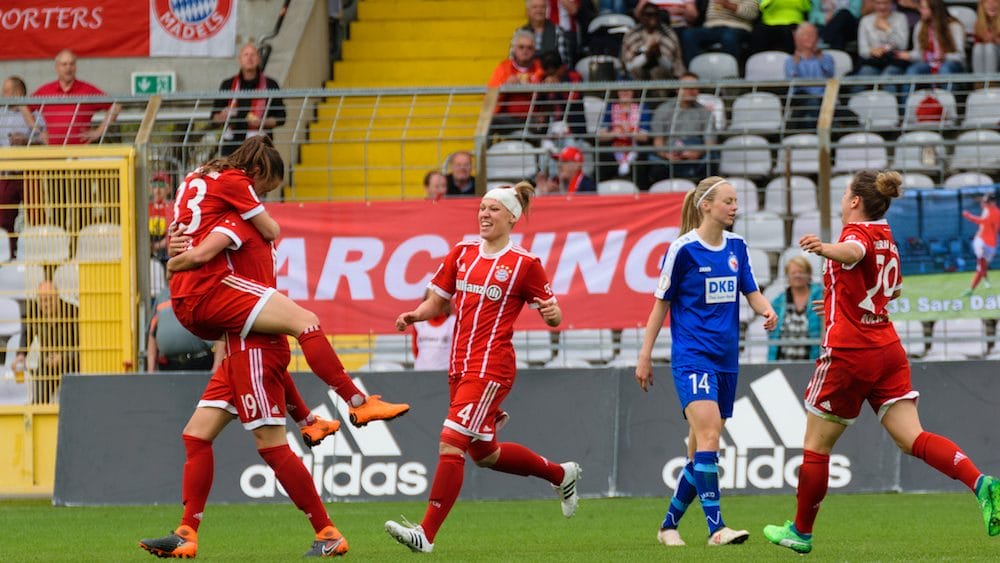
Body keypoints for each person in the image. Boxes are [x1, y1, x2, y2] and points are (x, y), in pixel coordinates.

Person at [763, 170, 1000, 554]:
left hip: (850, 354)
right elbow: (890, 288)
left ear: (855, 201)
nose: (842, 199)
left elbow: (854, 253)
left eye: (844, 194)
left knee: (815, 447)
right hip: (887, 348)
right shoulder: (888, 237)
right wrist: (839, 298)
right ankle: (981, 483)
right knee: (912, 438)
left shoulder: (856, 235)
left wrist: (823, 248)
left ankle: (800, 532)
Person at [384, 182, 582, 554]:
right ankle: (560, 474)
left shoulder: (525, 264)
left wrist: (553, 315)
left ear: (511, 217)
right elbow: (438, 301)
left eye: (493, 209)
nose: (484, 214)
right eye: (482, 208)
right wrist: (416, 315)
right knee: (484, 453)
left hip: (491, 367)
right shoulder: (462, 252)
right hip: (458, 366)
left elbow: (552, 314)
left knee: (451, 442)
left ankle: (425, 534)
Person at [139, 207, 348, 558]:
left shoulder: (236, 227)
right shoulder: (237, 228)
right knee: (196, 435)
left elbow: (204, 259)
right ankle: (187, 531)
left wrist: (176, 257)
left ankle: (327, 531)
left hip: (251, 346)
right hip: (237, 346)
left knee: (271, 446)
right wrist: (175, 245)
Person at [166, 135, 409, 427]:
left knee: (198, 435)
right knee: (300, 327)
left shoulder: (196, 180)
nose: (259, 198)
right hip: (207, 287)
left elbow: (184, 238)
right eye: (263, 190)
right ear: (256, 172)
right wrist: (174, 263)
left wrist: (175, 258)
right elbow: (270, 230)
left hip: (189, 292)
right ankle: (354, 402)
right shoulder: (235, 191)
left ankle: (309, 420)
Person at [635, 176, 777, 547]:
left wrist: (766, 309)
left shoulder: (737, 246)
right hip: (693, 356)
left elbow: (750, 289)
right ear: (706, 206)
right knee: (710, 434)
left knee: (699, 450)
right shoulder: (682, 250)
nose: (735, 207)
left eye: (736, 201)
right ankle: (717, 529)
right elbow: (660, 305)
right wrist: (645, 355)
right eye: (728, 201)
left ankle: (668, 526)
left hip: (727, 358)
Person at [212, 43, 286, 157]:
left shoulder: (271, 84)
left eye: (253, 55)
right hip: (233, 145)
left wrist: (262, 123)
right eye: (246, 55)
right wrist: (221, 118)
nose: (249, 58)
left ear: (259, 59)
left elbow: (281, 117)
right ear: (239, 59)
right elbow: (214, 116)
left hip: (261, 145)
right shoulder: (227, 84)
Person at [31, 49, 118, 146]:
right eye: (64, 64)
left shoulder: (88, 90)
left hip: (81, 152)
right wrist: (39, 131)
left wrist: (99, 131)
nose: (68, 68)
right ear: (56, 68)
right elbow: (24, 106)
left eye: (72, 64)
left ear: (76, 67)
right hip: (54, 151)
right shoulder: (45, 91)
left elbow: (115, 105)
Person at [13, 280, 79, 404]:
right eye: (42, 300)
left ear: (57, 297)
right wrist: (21, 355)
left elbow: (84, 347)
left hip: (73, 365)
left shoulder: (73, 313)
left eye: (49, 300)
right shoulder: (35, 314)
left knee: (73, 404)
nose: (46, 304)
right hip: (47, 365)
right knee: (38, 401)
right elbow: (27, 336)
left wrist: (64, 357)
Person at [647, 72, 715, 186]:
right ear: (677, 89)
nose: (691, 90)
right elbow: (658, 141)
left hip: (696, 153)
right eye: (687, 87)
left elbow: (711, 142)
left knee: (712, 159)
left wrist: (699, 152)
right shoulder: (663, 109)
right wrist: (665, 154)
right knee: (651, 161)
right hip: (669, 151)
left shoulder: (704, 112)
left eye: (694, 87)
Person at [146, 286, 217, 372]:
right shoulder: (162, 296)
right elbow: (152, 334)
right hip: (169, 367)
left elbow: (220, 332)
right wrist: (151, 370)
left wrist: (217, 367)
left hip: (199, 364)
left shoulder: (202, 292)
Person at [767, 255, 824, 361]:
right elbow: (772, 333)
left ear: (809, 274)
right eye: (793, 272)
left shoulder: (821, 296)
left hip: (813, 360)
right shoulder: (778, 302)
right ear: (787, 276)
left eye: (801, 272)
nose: (798, 275)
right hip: (782, 361)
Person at [487, 30, 543, 136]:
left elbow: (546, 95)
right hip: (508, 117)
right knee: (489, 122)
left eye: (529, 48)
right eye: (521, 47)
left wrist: (530, 86)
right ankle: (486, 152)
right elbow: (490, 95)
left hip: (532, 118)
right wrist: (505, 86)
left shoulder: (540, 67)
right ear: (514, 49)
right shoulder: (503, 67)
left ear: (534, 50)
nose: (525, 51)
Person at [897, 0, 966, 81]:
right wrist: (908, 55)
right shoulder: (920, 25)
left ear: (934, 9)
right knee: (913, 70)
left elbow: (960, 56)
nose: (920, 10)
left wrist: (944, 56)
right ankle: (909, 94)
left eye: (923, 8)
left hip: (950, 63)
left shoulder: (954, 26)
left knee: (945, 69)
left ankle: (945, 94)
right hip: (928, 63)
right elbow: (919, 53)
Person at [596, 86, 652, 184]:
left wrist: (629, 132)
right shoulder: (610, 107)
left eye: (628, 89)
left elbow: (644, 137)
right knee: (604, 160)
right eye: (622, 89)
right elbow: (601, 136)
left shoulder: (642, 108)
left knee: (641, 164)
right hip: (615, 149)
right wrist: (615, 133)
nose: (625, 92)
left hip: (635, 149)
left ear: (633, 91)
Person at [679, 0, 760, 66]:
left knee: (729, 37)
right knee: (689, 34)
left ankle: (729, 71)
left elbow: (752, 14)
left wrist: (727, 4)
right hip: (711, 27)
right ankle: (696, 69)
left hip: (737, 27)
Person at [784, 23, 835, 127]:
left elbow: (830, 75)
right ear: (797, 39)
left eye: (813, 35)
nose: (810, 38)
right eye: (806, 35)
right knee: (812, 102)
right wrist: (796, 62)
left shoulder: (826, 58)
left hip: (823, 98)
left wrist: (819, 57)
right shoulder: (790, 60)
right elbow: (792, 79)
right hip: (801, 98)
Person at [621, 1, 686, 81]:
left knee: (657, 72)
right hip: (639, 74)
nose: (653, 17)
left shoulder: (667, 33)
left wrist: (659, 56)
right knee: (637, 71)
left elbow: (673, 67)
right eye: (648, 15)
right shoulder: (633, 33)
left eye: (656, 14)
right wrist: (646, 56)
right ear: (641, 17)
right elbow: (628, 66)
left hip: (666, 75)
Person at [855, 0, 911, 92]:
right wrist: (871, 51)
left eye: (885, 3)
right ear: (874, 3)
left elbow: (903, 45)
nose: (882, 7)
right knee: (863, 75)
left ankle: (891, 106)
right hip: (873, 61)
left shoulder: (900, 18)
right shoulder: (866, 21)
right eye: (878, 3)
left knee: (887, 78)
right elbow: (862, 50)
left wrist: (887, 29)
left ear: (892, 4)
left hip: (894, 61)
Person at [962, 193, 1000, 296]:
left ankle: (971, 289)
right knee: (980, 255)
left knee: (980, 269)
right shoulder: (987, 208)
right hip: (981, 240)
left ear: (993, 202)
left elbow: (982, 221)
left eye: (987, 202)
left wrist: (968, 215)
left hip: (991, 244)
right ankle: (986, 279)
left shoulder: (996, 212)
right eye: (984, 202)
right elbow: (982, 202)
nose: (984, 204)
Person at [410, 289, 455, 371]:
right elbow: (415, 349)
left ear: (445, 302)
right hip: (422, 373)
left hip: (446, 374)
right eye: (430, 301)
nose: (434, 306)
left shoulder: (453, 322)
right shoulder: (419, 324)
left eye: (438, 301)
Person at [522, 0, 575, 69]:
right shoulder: (520, 33)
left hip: (552, 75)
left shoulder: (558, 31)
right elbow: (513, 61)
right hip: (526, 75)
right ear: (527, 12)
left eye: (542, 7)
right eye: (535, 7)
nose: (539, 10)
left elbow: (564, 63)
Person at [0, 76, 46, 146]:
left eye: (6, 91)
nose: (2, 95)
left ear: (18, 92)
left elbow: (44, 140)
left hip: (25, 155)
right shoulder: (1, 113)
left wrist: (26, 142)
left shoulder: (35, 114)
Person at [148, 172, 173, 264]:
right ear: (150, 188)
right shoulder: (147, 208)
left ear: (169, 189)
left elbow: (173, 233)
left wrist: (157, 245)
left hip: (167, 255)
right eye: (155, 185)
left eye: (162, 185)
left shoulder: (172, 208)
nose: (157, 190)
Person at [973, 0, 1000, 73]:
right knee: (978, 48)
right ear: (982, 5)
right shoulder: (978, 23)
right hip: (986, 54)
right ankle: (979, 82)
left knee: (990, 47)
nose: (991, 5)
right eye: (987, 2)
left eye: (995, 1)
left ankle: (990, 82)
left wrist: (994, 39)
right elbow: (977, 41)